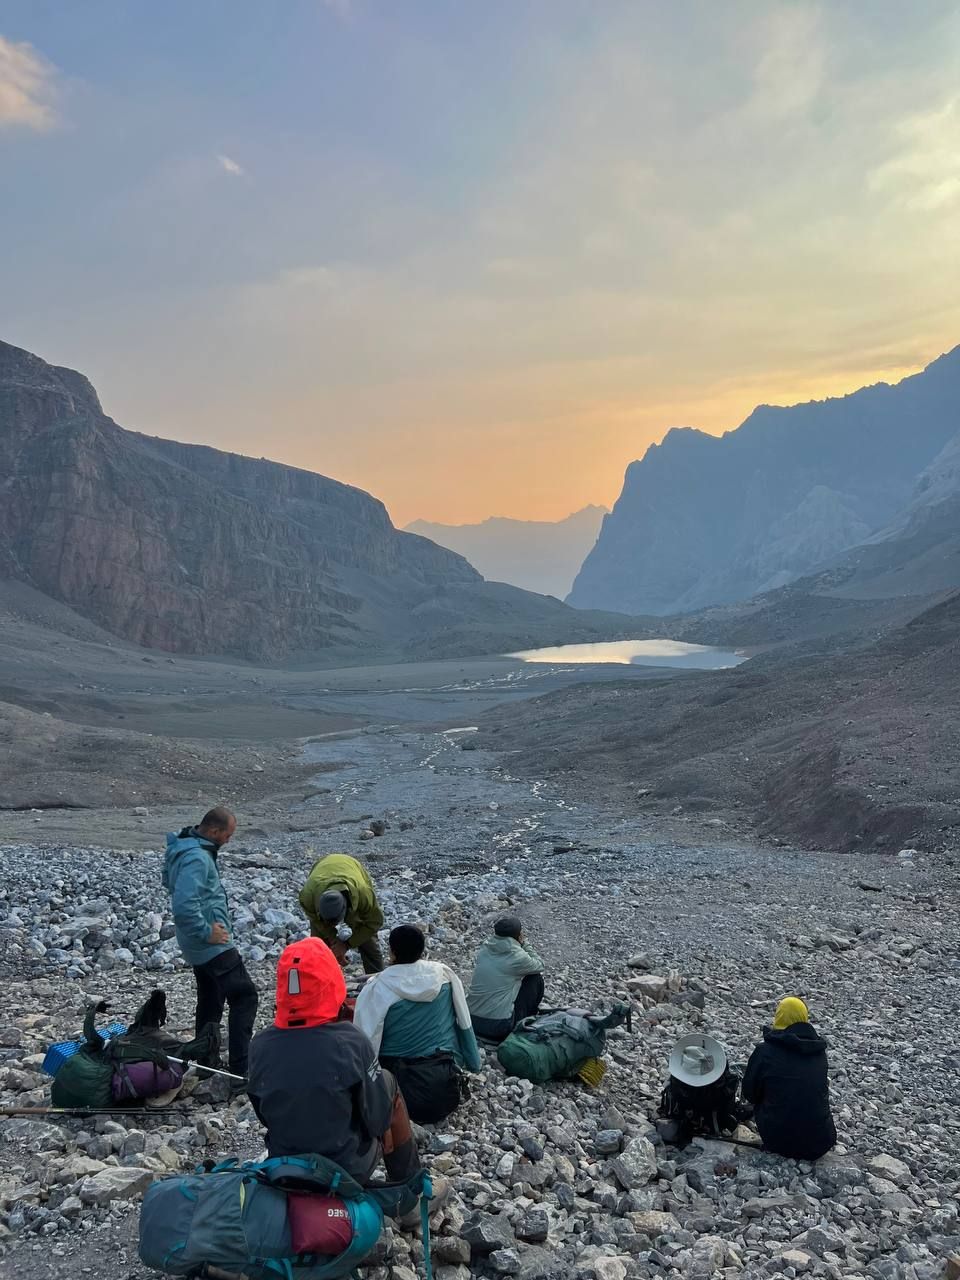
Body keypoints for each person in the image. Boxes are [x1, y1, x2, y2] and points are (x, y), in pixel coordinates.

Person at [247, 937, 419, 1184]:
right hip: (345, 1168)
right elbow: (378, 1120)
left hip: (284, 1166)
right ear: (331, 981)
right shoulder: (351, 1041)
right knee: (387, 1082)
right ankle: (409, 1189)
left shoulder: (259, 1045)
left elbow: (263, 1113)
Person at [162, 806, 258, 1080]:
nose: (229, 840)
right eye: (228, 835)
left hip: (193, 943)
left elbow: (168, 881)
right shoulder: (197, 858)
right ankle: (241, 1071)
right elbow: (183, 906)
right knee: (245, 996)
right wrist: (207, 931)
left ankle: (207, 1062)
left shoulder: (183, 845)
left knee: (211, 998)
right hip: (210, 943)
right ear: (214, 831)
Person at [353, 925, 481, 1122]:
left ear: (392, 953)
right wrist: (474, 1063)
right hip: (445, 1080)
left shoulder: (377, 988)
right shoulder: (444, 975)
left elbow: (365, 1043)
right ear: (422, 949)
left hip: (401, 1090)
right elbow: (464, 1023)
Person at [741, 996, 837, 1161]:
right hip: (821, 1143)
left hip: (779, 1142)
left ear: (779, 1017)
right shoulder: (819, 1052)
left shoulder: (765, 1051)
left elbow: (750, 1094)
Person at [298, 853, 385, 973]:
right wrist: (335, 943)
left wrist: (346, 945)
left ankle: (376, 977)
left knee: (368, 941)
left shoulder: (363, 894)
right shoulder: (308, 897)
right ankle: (320, 977)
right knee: (319, 944)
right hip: (322, 867)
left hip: (352, 867)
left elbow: (375, 922)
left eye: (334, 922)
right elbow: (317, 922)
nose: (332, 925)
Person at [467, 916, 544, 1042]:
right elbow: (540, 965)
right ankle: (525, 1024)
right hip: (497, 1027)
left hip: (470, 1021)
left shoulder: (484, 949)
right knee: (535, 978)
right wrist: (525, 943)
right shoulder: (516, 955)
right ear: (518, 935)